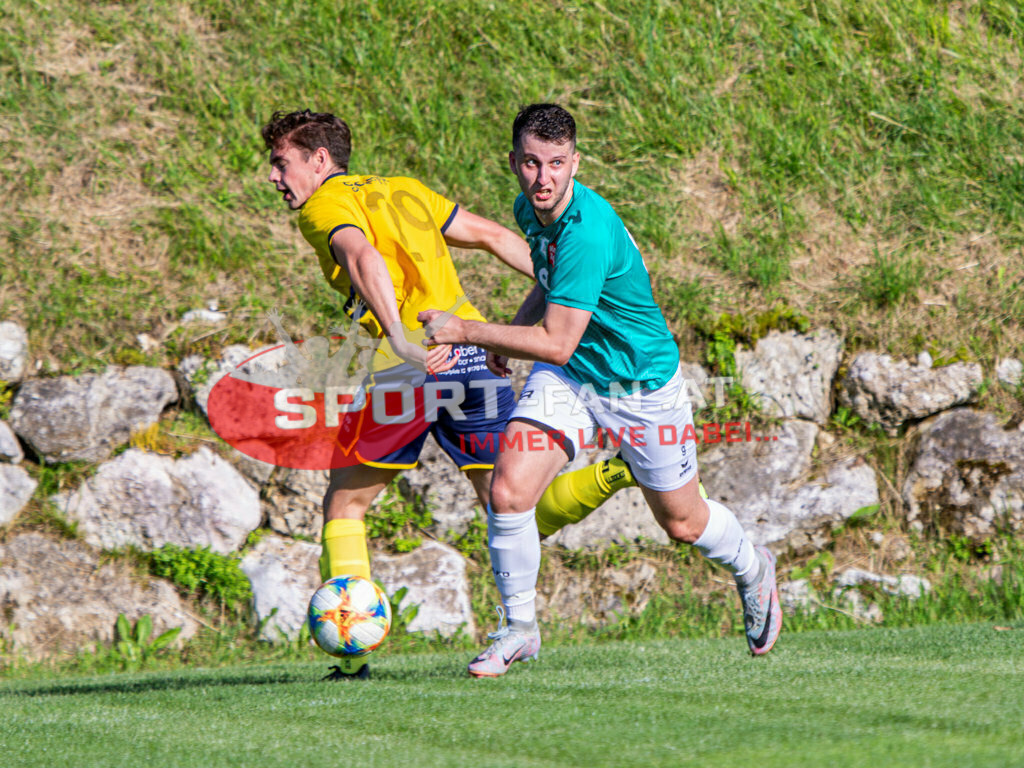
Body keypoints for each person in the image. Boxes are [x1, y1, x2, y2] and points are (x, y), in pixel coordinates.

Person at [261, 109, 635, 679]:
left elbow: (364, 258)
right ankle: (617, 473)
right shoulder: (404, 191)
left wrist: (401, 339)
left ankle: (352, 652)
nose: (274, 177)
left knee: (346, 506)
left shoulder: (324, 206)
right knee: (508, 504)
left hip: (408, 367)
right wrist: (556, 281)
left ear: (319, 160)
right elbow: (491, 237)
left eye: (280, 163)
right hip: (472, 357)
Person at [420, 103, 781, 678]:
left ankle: (751, 566)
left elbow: (558, 340)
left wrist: (467, 330)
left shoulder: (588, 230)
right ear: (514, 162)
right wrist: (508, 336)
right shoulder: (531, 209)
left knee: (684, 524)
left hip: (638, 386)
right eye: (532, 163)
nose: (544, 178)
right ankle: (518, 630)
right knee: (509, 491)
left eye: (557, 164)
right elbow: (550, 287)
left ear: (575, 163)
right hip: (573, 378)